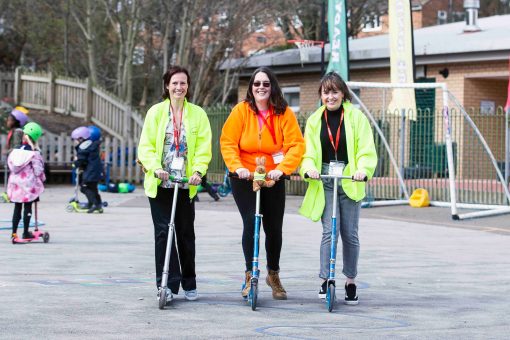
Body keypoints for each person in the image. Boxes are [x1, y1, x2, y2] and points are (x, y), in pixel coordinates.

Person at [220, 66, 305, 300]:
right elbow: (228, 141)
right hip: (244, 176)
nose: (261, 88)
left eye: (265, 84)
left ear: (272, 87)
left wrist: (282, 170)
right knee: (251, 222)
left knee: (274, 227)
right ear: (251, 88)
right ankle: (250, 274)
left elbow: (296, 145)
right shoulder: (241, 111)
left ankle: (273, 274)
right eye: (257, 84)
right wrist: (236, 167)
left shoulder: (283, 113)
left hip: (272, 176)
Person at [299, 72, 377, 305]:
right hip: (326, 179)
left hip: (350, 177)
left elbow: (365, 149)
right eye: (326, 92)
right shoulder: (314, 120)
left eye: (334, 91)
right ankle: (326, 278)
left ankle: (350, 281)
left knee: (349, 233)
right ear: (321, 95)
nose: (330, 96)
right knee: (328, 231)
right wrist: (310, 168)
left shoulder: (356, 117)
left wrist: (362, 169)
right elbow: (309, 152)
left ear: (343, 93)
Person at [137, 66, 212, 303]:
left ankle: (189, 281)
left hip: (184, 183)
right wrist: (154, 168)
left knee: (185, 234)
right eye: (175, 83)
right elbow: (146, 145)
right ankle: (166, 285)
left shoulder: (198, 114)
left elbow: (203, 147)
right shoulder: (156, 112)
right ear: (167, 86)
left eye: (183, 83)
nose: (179, 87)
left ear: (188, 86)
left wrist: (199, 171)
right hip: (160, 183)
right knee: (162, 234)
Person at [7, 122, 45, 240]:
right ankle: (25, 232)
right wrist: (42, 179)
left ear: (24, 136)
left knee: (17, 207)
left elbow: (10, 166)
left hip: (15, 184)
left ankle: (14, 233)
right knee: (27, 207)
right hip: (28, 185)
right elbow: (38, 171)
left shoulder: (14, 151)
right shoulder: (34, 153)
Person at [72, 126, 103, 213]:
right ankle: (96, 203)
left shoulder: (83, 148)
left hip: (90, 172)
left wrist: (75, 164)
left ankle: (95, 204)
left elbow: (82, 160)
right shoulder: (92, 146)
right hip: (94, 171)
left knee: (84, 187)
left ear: (81, 139)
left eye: (76, 140)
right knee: (93, 188)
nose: (75, 142)